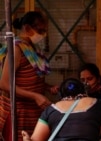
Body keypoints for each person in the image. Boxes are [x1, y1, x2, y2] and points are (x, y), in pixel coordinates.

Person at [21, 78, 101, 141]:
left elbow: (37, 139)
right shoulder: (97, 104)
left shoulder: (50, 110)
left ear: (62, 95)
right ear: (83, 91)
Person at [0, 11, 58, 141]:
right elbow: (4, 84)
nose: (43, 34)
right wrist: (35, 96)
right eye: (40, 30)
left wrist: (48, 87)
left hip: (32, 112)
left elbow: (30, 76)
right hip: (17, 112)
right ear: (27, 28)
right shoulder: (16, 49)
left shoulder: (32, 48)